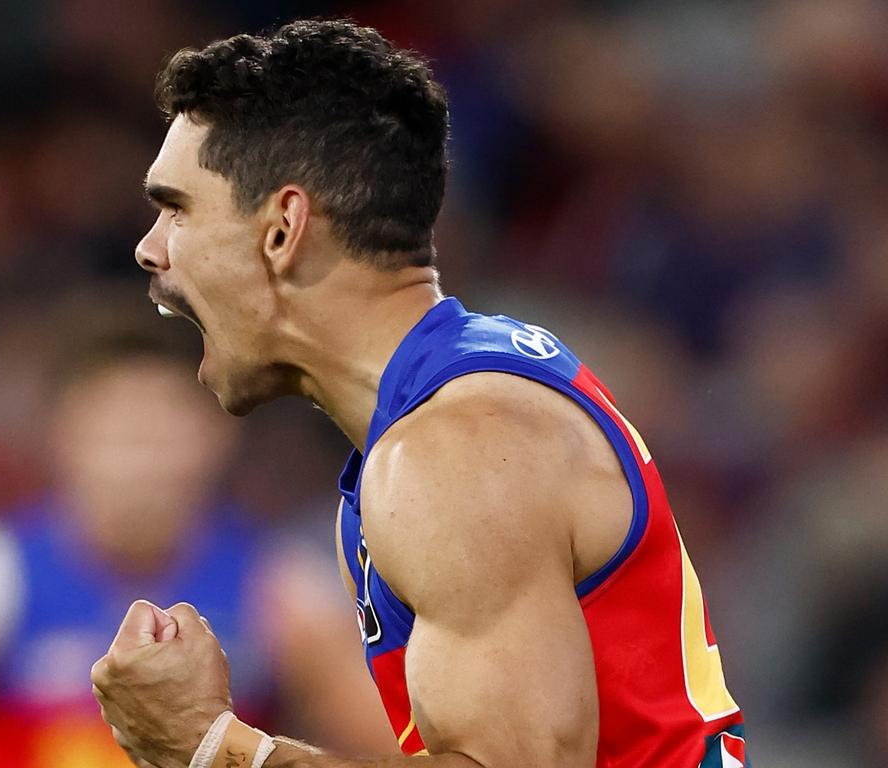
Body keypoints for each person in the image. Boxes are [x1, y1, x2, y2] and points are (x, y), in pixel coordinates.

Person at [91, 19, 749, 768]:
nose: (149, 247)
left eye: (177, 208)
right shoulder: (445, 414)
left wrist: (212, 748)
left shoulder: (456, 447)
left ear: (282, 229)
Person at [0, 301, 391, 768]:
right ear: (60, 437)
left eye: (161, 430)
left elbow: (387, 752)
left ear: (217, 436)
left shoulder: (282, 590)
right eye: (117, 430)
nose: (139, 459)